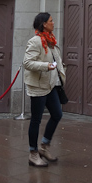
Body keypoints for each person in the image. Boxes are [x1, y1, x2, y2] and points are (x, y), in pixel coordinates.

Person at [23, 12, 66, 167]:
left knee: (57, 114)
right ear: (44, 24)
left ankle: (44, 146)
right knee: (36, 119)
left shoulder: (51, 41)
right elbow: (27, 63)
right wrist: (45, 66)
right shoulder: (35, 42)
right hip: (38, 86)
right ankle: (33, 153)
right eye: (51, 21)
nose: (53, 23)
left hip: (51, 85)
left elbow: (57, 60)